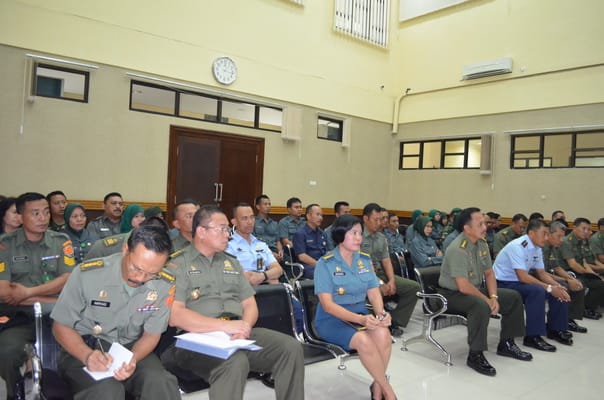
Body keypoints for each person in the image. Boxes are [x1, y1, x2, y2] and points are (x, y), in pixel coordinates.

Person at [161, 205, 304, 400]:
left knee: (290, 348)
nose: (227, 235)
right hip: (194, 340)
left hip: (236, 333)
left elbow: (249, 304)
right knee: (235, 362)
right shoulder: (177, 264)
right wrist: (225, 326)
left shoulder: (232, 262)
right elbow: (176, 315)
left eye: (227, 229)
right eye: (222, 229)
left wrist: (244, 327)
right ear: (201, 232)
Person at [50, 225, 181, 400]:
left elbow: (151, 334)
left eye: (152, 274)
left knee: (161, 382)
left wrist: (133, 359)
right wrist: (87, 355)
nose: (140, 278)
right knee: (107, 391)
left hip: (132, 347)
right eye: (136, 268)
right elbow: (60, 326)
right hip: (84, 347)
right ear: (125, 249)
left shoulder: (164, 283)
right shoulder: (88, 275)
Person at [438, 207, 532, 377]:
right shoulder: (458, 248)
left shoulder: (481, 244)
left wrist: (494, 297)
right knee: (481, 305)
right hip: (451, 295)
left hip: (472, 290)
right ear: (467, 228)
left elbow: (489, 273)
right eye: (480, 224)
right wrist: (487, 300)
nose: (485, 227)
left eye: (484, 223)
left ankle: (507, 344)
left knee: (513, 297)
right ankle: (475, 354)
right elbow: (463, 286)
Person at [0, 192, 76, 400]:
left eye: (46, 212)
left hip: (55, 315)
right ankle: (14, 394)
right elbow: (5, 293)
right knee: (6, 352)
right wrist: (51, 296)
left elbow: (68, 279)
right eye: (35, 213)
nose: (43, 218)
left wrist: (27, 292)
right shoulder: (5, 245)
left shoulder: (61, 241)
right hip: (18, 317)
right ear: (20, 216)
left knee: (70, 354)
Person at [314, 214, 397, 400]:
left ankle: (377, 388)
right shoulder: (325, 264)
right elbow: (327, 306)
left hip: (360, 315)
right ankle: (388, 392)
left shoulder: (364, 260)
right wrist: (361, 319)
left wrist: (381, 313)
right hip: (332, 320)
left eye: (360, 233)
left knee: (384, 334)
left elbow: (373, 292)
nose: (359, 238)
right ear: (340, 235)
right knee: (363, 340)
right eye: (353, 233)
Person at [493, 219, 572, 351]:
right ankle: (532, 336)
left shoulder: (537, 247)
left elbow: (541, 273)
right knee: (537, 291)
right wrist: (549, 288)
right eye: (544, 234)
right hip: (503, 283)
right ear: (531, 233)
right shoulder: (518, 246)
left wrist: (556, 286)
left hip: (518, 282)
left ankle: (555, 329)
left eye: (547, 234)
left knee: (560, 286)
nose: (546, 238)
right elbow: (523, 276)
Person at [361, 203, 419, 337]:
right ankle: (372, 323)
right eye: (376, 220)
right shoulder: (357, 236)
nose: (379, 223)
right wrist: (380, 283)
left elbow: (386, 261)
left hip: (379, 274)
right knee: (375, 292)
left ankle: (394, 321)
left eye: (381, 219)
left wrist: (391, 281)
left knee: (413, 288)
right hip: (363, 276)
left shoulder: (381, 237)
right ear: (365, 219)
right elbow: (362, 267)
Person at [542, 221, 588, 333]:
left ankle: (568, 319)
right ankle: (555, 326)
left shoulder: (552, 247)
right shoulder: (541, 247)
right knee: (563, 287)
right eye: (559, 236)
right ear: (549, 234)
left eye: (563, 236)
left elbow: (557, 267)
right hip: (539, 278)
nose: (562, 240)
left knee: (577, 284)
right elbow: (540, 273)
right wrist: (566, 280)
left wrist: (572, 279)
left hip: (549, 275)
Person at [559, 217, 604, 319]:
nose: (586, 231)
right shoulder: (567, 242)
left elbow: (584, 262)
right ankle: (574, 314)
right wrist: (587, 273)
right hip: (568, 272)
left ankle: (587, 308)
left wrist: (593, 274)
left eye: (588, 229)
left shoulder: (581, 242)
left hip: (579, 271)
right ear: (574, 228)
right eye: (584, 228)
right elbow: (573, 264)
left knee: (599, 283)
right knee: (581, 283)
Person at [227, 203, 283, 285]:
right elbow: (234, 276)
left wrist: (262, 276)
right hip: (241, 289)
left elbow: (278, 270)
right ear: (234, 222)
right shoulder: (229, 245)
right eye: (244, 218)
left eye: (252, 217)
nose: (250, 222)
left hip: (264, 287)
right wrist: (268, 278)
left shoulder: (261, 244)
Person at [292, 204, 327, 279]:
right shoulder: (300, 234)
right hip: (307, 266)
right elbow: (302, 256)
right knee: (324, 274)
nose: (320, 218)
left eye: (321, 215)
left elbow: (327, 252)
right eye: (317, 214)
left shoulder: (322, 233)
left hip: (322, 264)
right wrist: (319, 265)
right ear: (308, 216)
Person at [253, 194, 283, 261]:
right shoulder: (253, 222)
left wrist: (280, 251)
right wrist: (270, 253)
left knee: (290, 263)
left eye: (269, 204)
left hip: (275, 251)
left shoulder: (274, 223)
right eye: (265, 204)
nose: (268, 206)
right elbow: (253, 242)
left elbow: (278, 241)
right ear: (258, 207)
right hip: (261, 252)